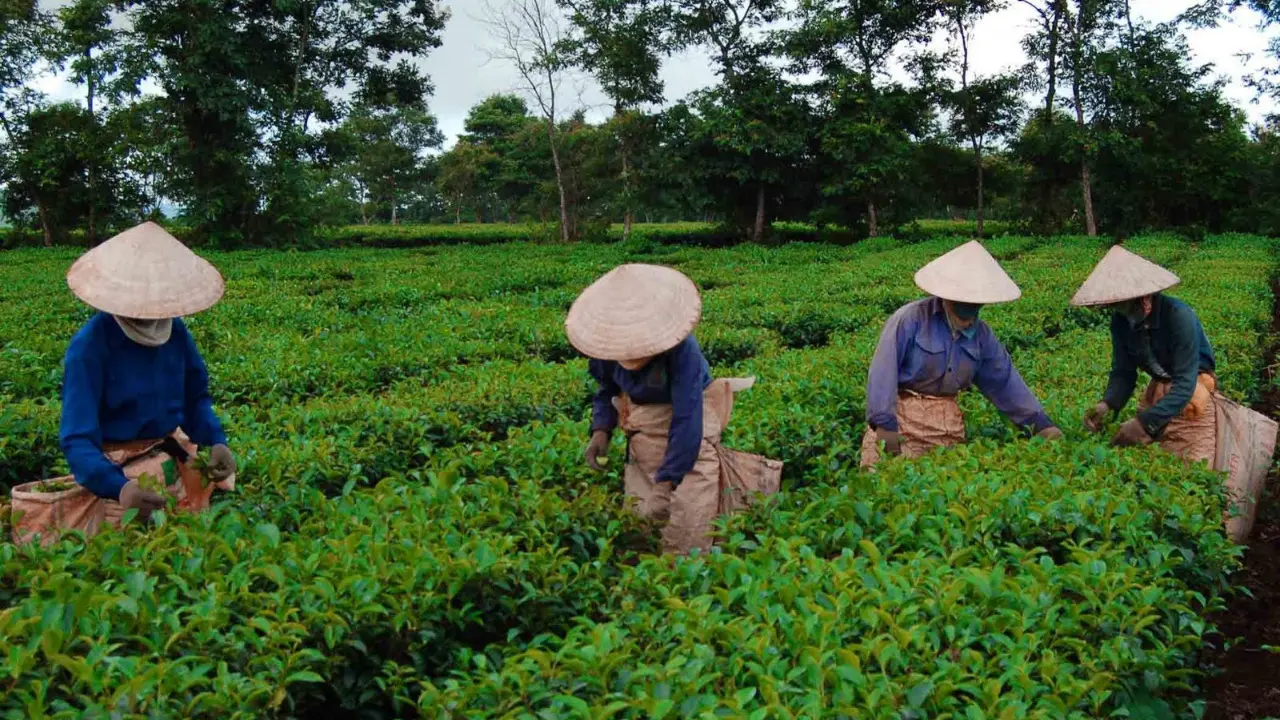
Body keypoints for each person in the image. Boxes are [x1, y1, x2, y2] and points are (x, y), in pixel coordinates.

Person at [566, 263, 781, 555]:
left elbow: (687, 418)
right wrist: (600, 431)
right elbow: (606, 389)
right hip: (642, 443)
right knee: (641, 536)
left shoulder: (682, 352)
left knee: (687, 533)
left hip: (687, 449)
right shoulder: (608, 347)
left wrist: (666, 484)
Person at [59, 221, 236, 523]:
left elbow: (195, 397)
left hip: (167, 450)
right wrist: (119, 487)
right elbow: (77, 439)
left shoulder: (175, 332)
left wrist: (215, 440)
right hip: (117, 465)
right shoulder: (89, 348)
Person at [862, 241, 1063, 467]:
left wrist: (1040, 424)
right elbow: (882, 373)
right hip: (902, 421)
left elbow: (1004, 382)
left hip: (947, 433)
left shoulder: (982, 337)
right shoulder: (910, 320)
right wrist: (885, 426)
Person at [1072, 245, 1217, 462]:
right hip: (1158, 388)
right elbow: (1123, 372)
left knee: (1190, 462)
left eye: (1126, 305)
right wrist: (1108, 404)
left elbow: (1185, 383)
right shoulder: (1120, 321)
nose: (1122, 312)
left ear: (1145, 297)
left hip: (1192, 394)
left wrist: (1144, 423)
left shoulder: (1179, 316)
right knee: (1147, 460)